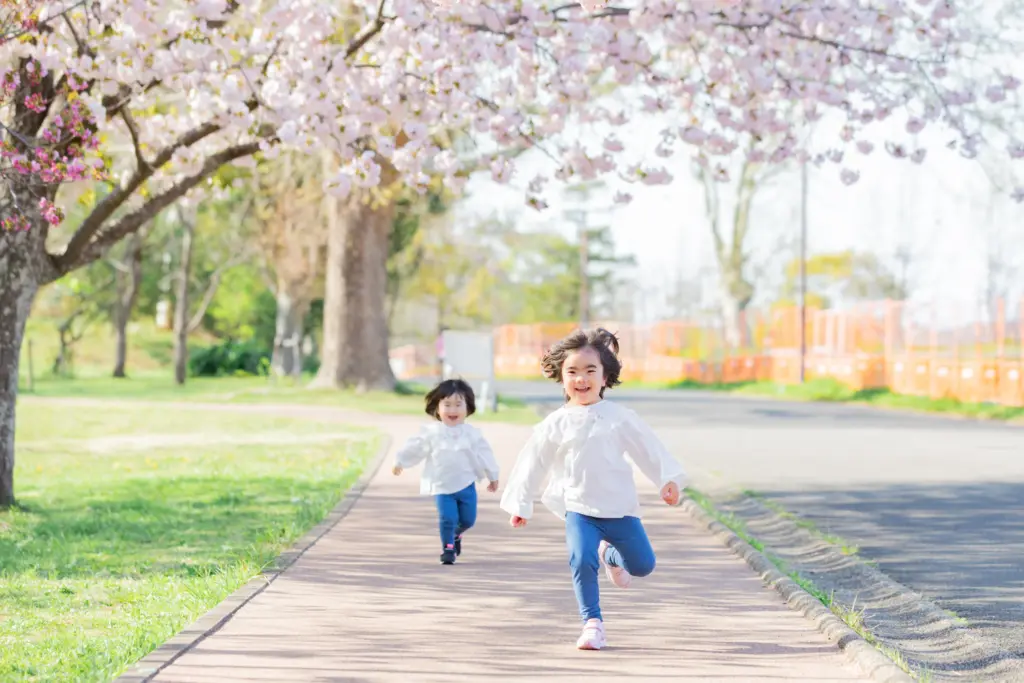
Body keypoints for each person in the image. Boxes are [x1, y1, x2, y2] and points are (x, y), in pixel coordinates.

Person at [499, 328, 687, 650]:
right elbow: (533, 462)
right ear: (561, 377)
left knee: (642, 566)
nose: (581, 379)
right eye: (572, 371)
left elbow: (648, 449)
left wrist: (667, 479)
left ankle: (609, 555)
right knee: (579, 558)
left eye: (590, 371)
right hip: (579, 508)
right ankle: (592, 624)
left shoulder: (619, 417)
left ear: (605, 376)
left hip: (620, 509)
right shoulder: (555, 423)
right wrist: (520, 503)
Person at [393, 378, 500, 565]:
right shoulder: (432, 433)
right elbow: (416, 448)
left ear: (468, 407)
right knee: (448, 518)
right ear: (437, 407)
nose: (452, 410)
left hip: (466, 484)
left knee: (467, 520)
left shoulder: (472, 434)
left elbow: (485, 455)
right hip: (442, 485)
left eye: (458, 405)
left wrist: (493, 476)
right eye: (447, 405)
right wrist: (400, 461)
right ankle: (448, 548)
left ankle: (456, 534)